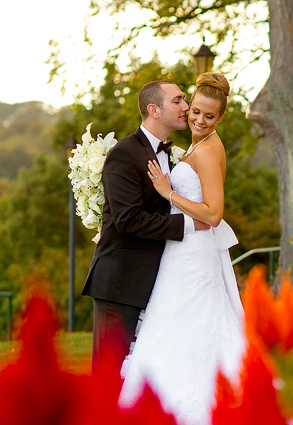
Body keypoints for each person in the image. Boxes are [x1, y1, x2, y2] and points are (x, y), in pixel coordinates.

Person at [117, 72, 246, 425]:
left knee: (197, 326)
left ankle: (202, 414)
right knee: (170, 325)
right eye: (197, 112)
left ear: (220, 118)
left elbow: (214, 213)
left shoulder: (208, 149)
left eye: (210, 116)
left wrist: (167, 193)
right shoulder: (193, 145)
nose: (200, 120)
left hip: (194, 256)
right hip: (179, 252)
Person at [81, 80, 211, 372]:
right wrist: (190, 224)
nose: (186, 107)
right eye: (177, 101)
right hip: (121, 284)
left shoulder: (172, 154)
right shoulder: (125, 154)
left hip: (160, 283)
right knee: (109, 378)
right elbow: (128, 220)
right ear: (154, 110)